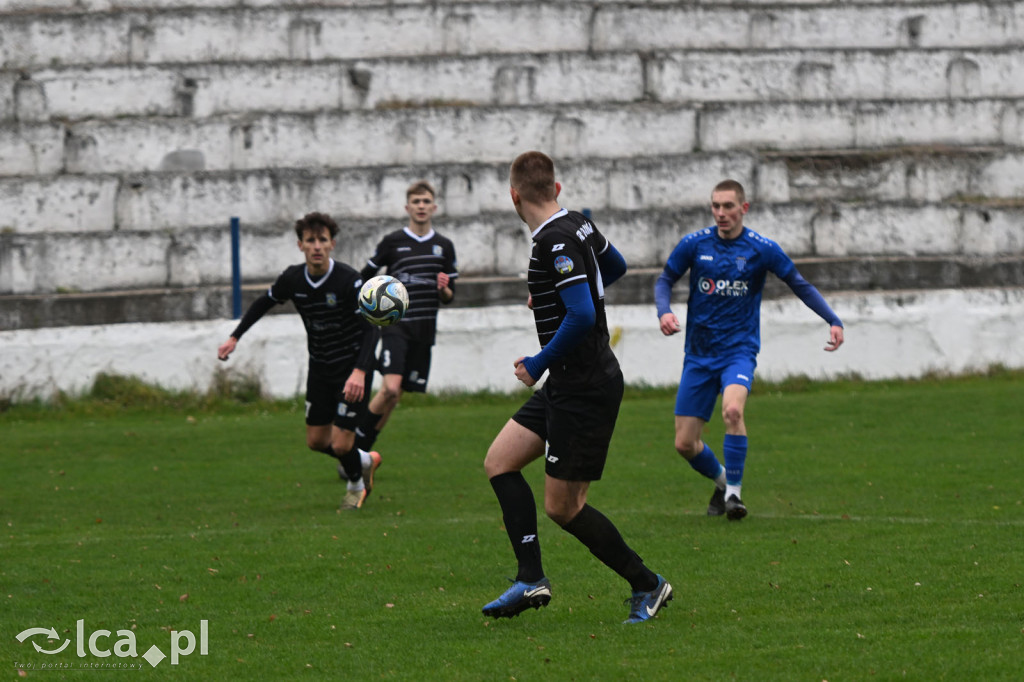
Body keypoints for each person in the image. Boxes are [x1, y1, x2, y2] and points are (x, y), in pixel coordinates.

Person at [482, 151, 672, 624]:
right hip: (570, 383)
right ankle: (530, 579)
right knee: (499, 463)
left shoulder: (553, 241)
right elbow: (618, 265)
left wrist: (537, 362)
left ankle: (648, 584)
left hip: (583, 386)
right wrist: (555, 290)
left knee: (564, 508)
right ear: (557, 189)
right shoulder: (580, 225)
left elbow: (584, 314)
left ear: (514, 196)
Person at [655, 179, 845, 520]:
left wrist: (832, 319)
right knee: (684, 444)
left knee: (732, 412)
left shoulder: (762, 249)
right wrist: (664, 310)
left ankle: (734, 497)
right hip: (699, 353)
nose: (721, 213)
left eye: (728, 206)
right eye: (716, 206)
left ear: (744, 208)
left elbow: (798, 283)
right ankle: (724, 481)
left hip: (738, 351)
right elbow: (664, 280)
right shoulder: (695, 244)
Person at [217, 212, 383, 511]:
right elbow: (263, 303)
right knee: (317, 442)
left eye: (322, 240)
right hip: (320, 369)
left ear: (332, 244)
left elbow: (371, 327)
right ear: (300, 245)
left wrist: (360, 371)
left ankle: (356, 485)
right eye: (310, 240)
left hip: (351, 369)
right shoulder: (293, 278)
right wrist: (235, 337)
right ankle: (365, 460)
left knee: (342, 443)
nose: (316, 246)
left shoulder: (349, 280)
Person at [354, 181, 458, 453]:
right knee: (390, 388)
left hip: (425, 329)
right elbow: (364, 278)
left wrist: (444, 288)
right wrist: (373, 297)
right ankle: (355, 447)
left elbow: (449, 297)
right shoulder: (393, 242)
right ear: (407, 207)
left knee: (396, 395)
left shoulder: (444, 246)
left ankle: (363, 449)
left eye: (426, 202)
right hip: (395, 326)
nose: (421, 206)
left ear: (433, 207)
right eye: (416, 201)